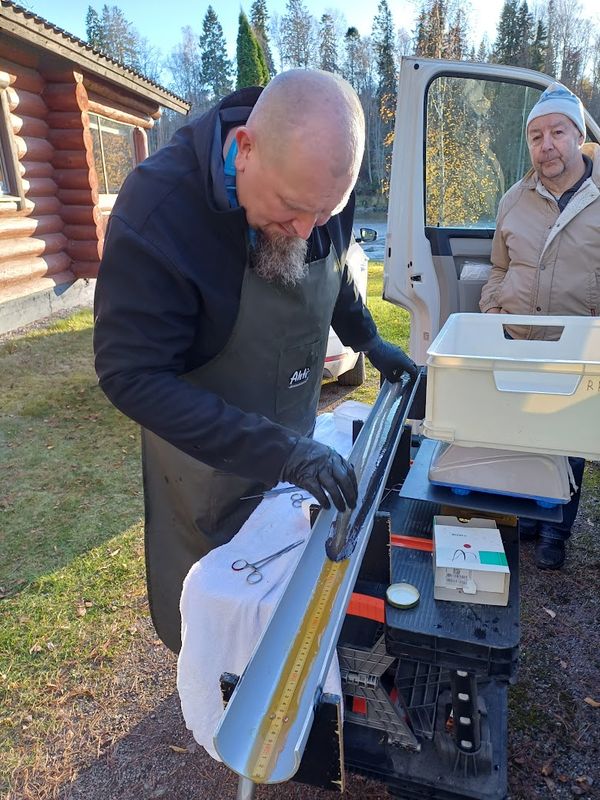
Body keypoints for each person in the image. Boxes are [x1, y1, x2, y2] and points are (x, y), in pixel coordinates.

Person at [93, 69, 417, 653]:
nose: (305, 230)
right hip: (203, 455)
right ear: (244, 149)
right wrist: (281, 452)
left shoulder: (315, 187)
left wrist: (369, 342)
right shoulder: (159, 212)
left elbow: (335, 269)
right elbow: (130, 376)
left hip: (291, 423)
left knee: (291, 589)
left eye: (325, 212)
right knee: (220, 604)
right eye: (292, 210)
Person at [479, 82, 597, 570]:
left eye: (557, 132)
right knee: (523, 430)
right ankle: (526, 516)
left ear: (578, 133)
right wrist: (491, 313)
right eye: (535, 135)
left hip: (579, 346)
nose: (545, 144)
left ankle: (556, 529)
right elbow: (499, 268)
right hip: (519, 342)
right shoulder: (513, 199)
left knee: (568, 440)